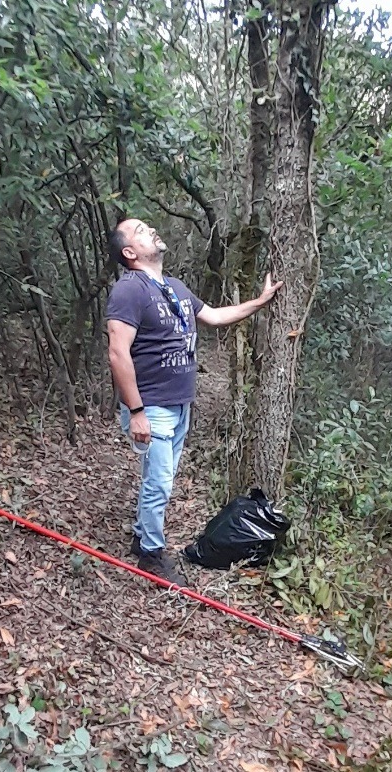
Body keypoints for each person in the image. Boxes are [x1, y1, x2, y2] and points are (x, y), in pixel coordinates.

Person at [105, 218, 282, 585]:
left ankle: (143, 533)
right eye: (140, 230)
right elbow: (118, 354)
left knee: (159, 479)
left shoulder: (174, 287)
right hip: (151, 406)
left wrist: (260, 302)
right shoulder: (130, 291)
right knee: (161, 483)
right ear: (129, 252)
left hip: (179, 404)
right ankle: (150, 553)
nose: (150, 229)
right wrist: (136, 411)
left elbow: (215, 317)